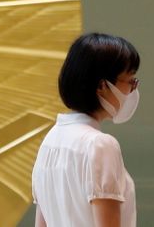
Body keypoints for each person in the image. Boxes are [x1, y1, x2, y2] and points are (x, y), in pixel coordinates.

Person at [32, 33, 140, 226]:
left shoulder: (50, 140)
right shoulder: (100, 144)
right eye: (131, 81)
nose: (133, 91)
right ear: (102, 86)